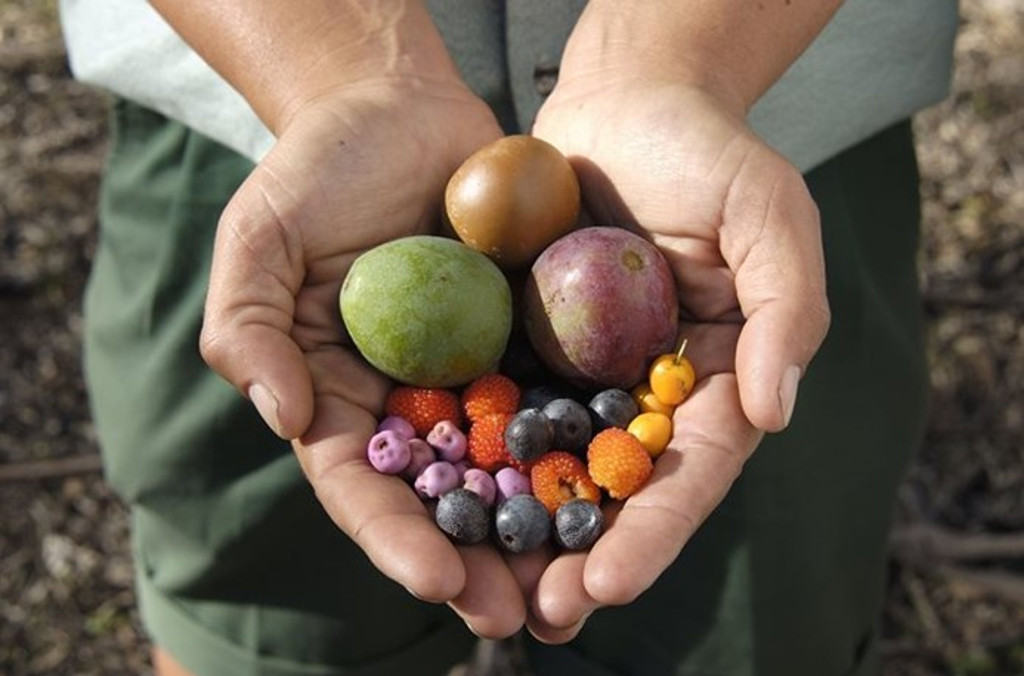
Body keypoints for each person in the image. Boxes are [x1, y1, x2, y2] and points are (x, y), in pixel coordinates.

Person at [59, 1, 959, 674]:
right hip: (258, 117)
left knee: (751, 635)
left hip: (766, 122)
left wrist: (675, 61)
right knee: (261, 628)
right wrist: (341, 66)